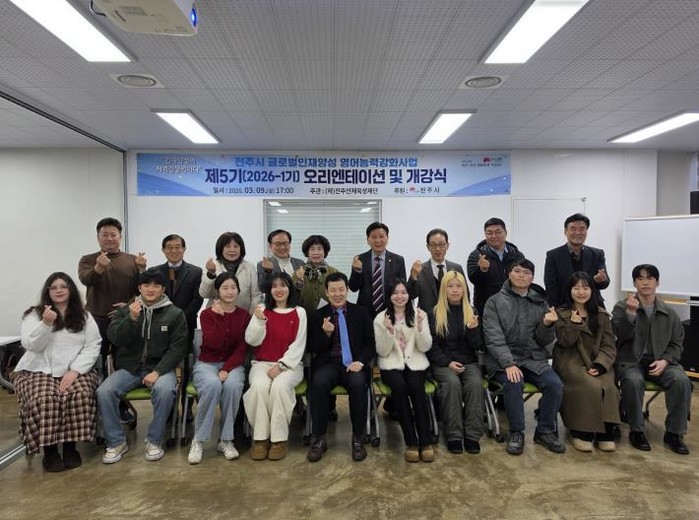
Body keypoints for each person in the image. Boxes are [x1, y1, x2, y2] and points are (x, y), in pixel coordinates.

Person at [97, 268, 187, 464]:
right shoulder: (126, 311)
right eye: (146, 285)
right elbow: (116, 339)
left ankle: (154, 441)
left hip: (160, 368)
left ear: (163, 289)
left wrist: (158, 371)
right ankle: (116, 442)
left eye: (156, 285)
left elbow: (178, 348)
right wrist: (131, 319)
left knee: (165, 390)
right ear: (139, 288)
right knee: (104, 391)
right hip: (130, 368)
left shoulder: (174, 313)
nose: (151, 289)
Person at [14, 273, 101, 472]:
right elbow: (31, 345)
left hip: (75, 369)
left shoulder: (84, 316)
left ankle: (70, 448)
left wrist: (75, 370)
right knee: (45, 398)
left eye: (63, 286)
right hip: (37, 369)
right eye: (54, 287)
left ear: (71, 290)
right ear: (48, 291)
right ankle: (50, 452)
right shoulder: (34, 315)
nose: (59, 290)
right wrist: (46, 324)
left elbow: (93, 345)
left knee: (79, 395)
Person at [483, 259, 565, 455]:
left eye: (526, 273)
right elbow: (493, 338)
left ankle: (545, 431)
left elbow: (543, 340)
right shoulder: (494, 302)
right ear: (509, 274)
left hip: (533, 359)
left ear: (532, 278)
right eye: (517, 271)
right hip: (503, 361)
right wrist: (509, 363)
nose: (521, 276)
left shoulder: (540, 302)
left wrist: (547, 325)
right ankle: (516, 432)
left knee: (555, 385)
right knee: (514, 382)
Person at [612, 264, 692, 455]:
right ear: (634, 283)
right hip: (631, 361)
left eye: (650, 278)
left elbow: (676, 344)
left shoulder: (669, 312)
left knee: (681, 380)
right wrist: (630, 315)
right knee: (633, 380)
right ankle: (637, 430)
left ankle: (674, 433)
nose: (645, 283)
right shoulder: (622, 306)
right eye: (640, 279)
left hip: (661, 361)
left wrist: (665, 360)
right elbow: (619, 335)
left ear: (657, 282)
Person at [306, 272, 375, 462]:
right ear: (327, 292)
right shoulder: (318, 315)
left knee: (359, 385)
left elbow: (370, 343)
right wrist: (326, 335)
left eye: (341, 289)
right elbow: (314, 347)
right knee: (318, 383)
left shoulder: (361, 312)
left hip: (353, 363)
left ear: (347, 290)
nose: (337, 294)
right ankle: (320, 438)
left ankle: (358, 438)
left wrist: (360, 362)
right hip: (329, 363)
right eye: (333, 290)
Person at [187, 272, 251, 465]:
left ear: (238, 290)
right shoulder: (207, 314)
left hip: (233, 364)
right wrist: (218, 317)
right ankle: (198, 440)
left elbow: (242, 348)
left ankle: (226, 440)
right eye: (225, 288)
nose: (229, 292)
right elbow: (212, 343)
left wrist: (227, 369)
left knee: (232, 386)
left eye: (233, 288)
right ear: (217, 291)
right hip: (207, 363)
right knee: (212, 385)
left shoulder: (244, 316)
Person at [553, 272, 619, 452]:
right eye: (576, 288)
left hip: (597, 361)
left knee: (609, 386)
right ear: (569, 291)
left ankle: (606, 431)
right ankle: (581, 431)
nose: (581, 292)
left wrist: (600, 365)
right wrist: (574, 326)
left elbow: (609, 345)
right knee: (588, 385)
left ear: (592, 290)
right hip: (570, 361)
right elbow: (564, 341)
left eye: (585, 287)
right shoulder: (561, 313)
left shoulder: (602, 314)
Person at [244, 273, 306, 461]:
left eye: (283, 285)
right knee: (259, 386)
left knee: (279, 387)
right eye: (274, 286)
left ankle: (278, 439)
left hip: (290, 365)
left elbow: (299, 344)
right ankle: (261, 438)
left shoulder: (299, 312)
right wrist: (259, 321)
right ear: (269, 290)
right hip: (262, 363)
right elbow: (252, 340)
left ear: (290, 288)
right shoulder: (261, 310)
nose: (279, 289)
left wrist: (282, 365)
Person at [374, 278, 434, 462]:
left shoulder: (419, 314)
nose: (400, 296)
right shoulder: (381, 318)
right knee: (399, 388)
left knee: (416, 387)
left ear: (409, 295)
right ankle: (411, 442)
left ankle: (425, 441)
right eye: (395, 293)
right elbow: (382, 351)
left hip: (415, 363)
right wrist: (389, 331)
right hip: (391, 364)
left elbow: (425, 347)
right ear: (389, 296)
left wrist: (420, 327)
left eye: (403, 292)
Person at [427, 271, 483, 455]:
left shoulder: (472, 312)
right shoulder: (434, 313)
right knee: (452, 384)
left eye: (459, 286)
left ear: (464, 289)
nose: (455, 290)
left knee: (475, 384)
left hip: (468, 362)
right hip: (444, 363)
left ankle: (472, 435)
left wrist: (473, 330)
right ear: (444, 289)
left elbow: (477, 345)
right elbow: (432, 346)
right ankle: (454, 435)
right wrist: (448, 362)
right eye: (450, 286)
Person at [77, 217, 146, 360]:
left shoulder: (133, 260)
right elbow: (86, 280)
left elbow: (142, 290)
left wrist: (142, 270)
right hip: (96, 318)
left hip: (125, 317)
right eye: (105, 235)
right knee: (94, 358)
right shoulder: (88, 259)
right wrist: (99, 267)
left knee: (123, 358)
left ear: (120, 237)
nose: (109, 239)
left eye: (113, 235)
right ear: (98, 237)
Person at [544, 213, 609, 308]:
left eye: (582, 229)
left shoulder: (597, 254)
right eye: (573, 229)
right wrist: (555, 310)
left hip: (592, 306)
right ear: (565, 231)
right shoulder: (553, 255)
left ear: (586, 231)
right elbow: (551, 286)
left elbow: (605, 283)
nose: (578, 233)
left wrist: (599, 280)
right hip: (564, 306)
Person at [467, 217, 524, 317]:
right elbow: (473, 279)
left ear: (505, 233)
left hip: (513, 307)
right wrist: (482, 270)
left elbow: (523, 279)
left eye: (498, 232)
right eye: (489, 233)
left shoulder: (517, 255)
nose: (494, 236)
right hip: (486, 308)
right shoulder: (477, 255)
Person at [349, 221, 407, 318]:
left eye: (381, 236)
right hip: (365, 313)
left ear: (387, 238)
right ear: (368, 240)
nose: (378, 240)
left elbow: (402, 288)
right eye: (374, 237)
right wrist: (357, 271)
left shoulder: (398, 260)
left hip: (391, 312)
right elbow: (353, 288)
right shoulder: (360, 259)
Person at [155, 234, 203, 346]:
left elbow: (198, 298)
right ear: (163, 250)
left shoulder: (196, 272)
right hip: (160, 322)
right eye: (169, 247)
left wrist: (181, 317)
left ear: (184, 249)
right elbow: (150, 295)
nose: (174, 251)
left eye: (177, 247)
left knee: (186, 352)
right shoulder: (155, 271)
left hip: (187, 322)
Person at [407, 228, 466, 314]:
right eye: (433, 245)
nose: (438, 249)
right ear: (428, 247)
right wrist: (413, 276)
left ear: (447, 245)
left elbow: (465, 295)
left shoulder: (457, 268)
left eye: (441, 244)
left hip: (453, 316)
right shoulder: (419, 270)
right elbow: (411, 295)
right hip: (427, 318)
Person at [200, 231, 262, 313]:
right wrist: (211, 274)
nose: (232, 250)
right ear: (220, 249)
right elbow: (204, 294)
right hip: (216, 315)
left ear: (241, 249)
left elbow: (256, 296)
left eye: (236, 246)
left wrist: (250, 317)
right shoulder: (213, 265)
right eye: (227, 246)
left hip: (243, 317)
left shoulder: (249, 267)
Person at [293, 234, 338, 316]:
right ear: (307, 252)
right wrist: (299, 280)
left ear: (325, 252)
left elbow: (339, 296)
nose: (316, 253)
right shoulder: (299, 272)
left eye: (319, 249)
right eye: (312, 249)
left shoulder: (333, 272)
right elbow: (292, 298)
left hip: (328, 317)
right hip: (304, 317)